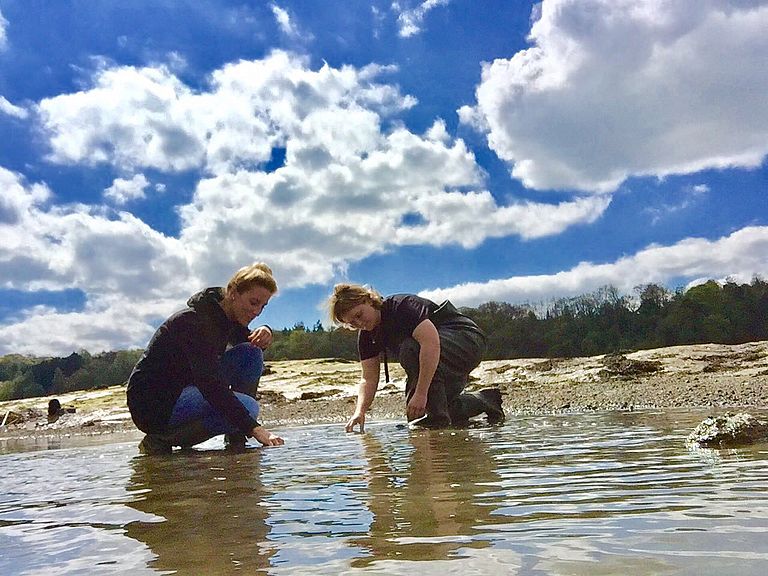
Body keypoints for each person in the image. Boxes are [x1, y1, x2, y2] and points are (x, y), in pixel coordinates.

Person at [127, 262, 284, 454]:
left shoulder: (227, 320)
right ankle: (160, 440)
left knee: (251, 353)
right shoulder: (193, 322)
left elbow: (248, 343)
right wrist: (255, 428)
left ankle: (236, 434)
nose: (257, 311)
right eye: (253, 302)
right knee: (249, 408)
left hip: (184, 389)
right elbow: (210, 383)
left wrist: (265, 330)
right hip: (153, 404)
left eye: (263, 306)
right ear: (233, 293)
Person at [329, 283, 504, 431]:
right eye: (352, 324)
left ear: (368, 300)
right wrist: (360, 412)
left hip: (466, 340)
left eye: (359, 315)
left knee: (411, 349)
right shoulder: (367, 336)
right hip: (437, 359)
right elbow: (368, 378)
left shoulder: (402, 306)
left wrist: (420, 394)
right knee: (432, 411)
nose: (359, 324)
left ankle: (435, 425)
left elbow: (430, 343)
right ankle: (484, 400)